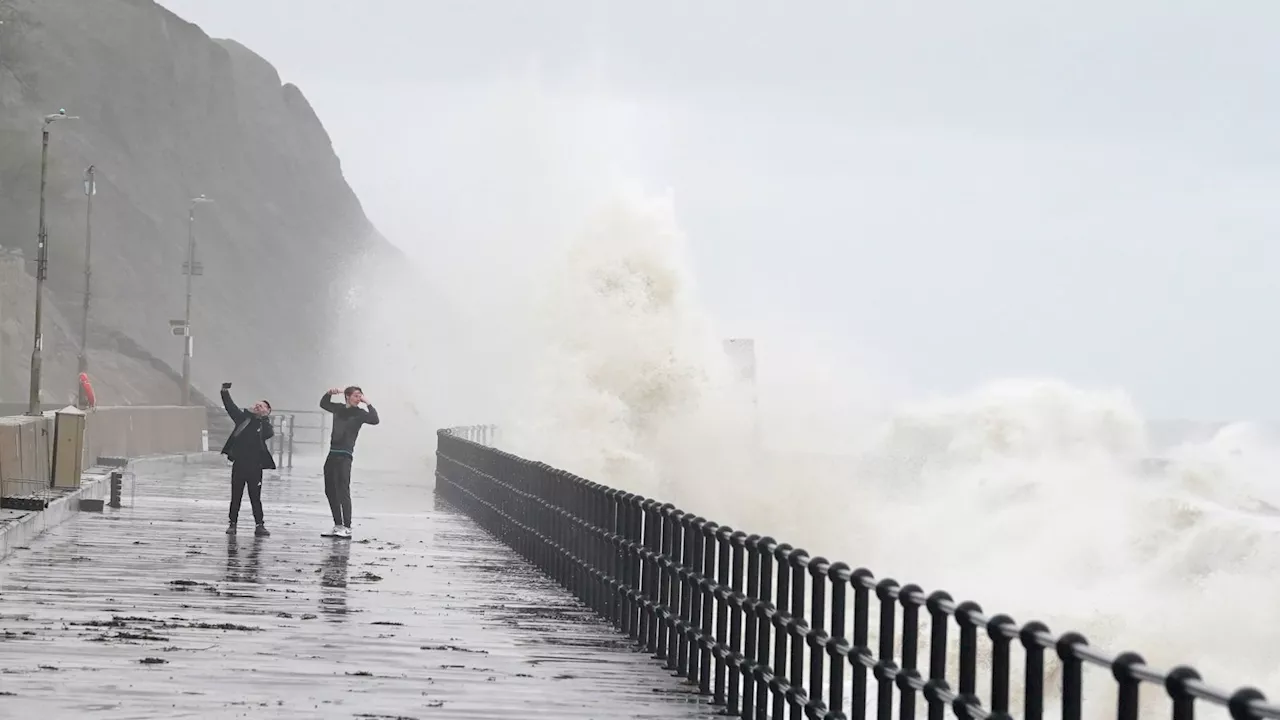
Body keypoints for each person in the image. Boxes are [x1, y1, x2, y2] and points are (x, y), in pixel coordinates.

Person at [319, 386, 380, 538]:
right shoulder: (338, 409)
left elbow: (375, 420)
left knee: (343, 490)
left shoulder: (360, 414)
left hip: (345, 455)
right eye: (355, 396)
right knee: (330, 490)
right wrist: (329, 393)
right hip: (332, 453)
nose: (358, 398)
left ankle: (347, 526)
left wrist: (369, 403)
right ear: (347, 396)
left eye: (360, 396)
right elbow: (324, 404)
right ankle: (337, 524)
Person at [219, 382, 275, 537]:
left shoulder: (264, 425)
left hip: (255, 466)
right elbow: (230, 406)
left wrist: (263, 418)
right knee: (235, 495)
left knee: (255, 497)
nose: (258, 406)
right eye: (257, 404)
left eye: (262, 406)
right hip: (239, 464)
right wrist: (224, 391)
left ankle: (260, 525)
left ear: (267, 411)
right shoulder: (243, 418)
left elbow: (269, 434)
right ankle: (232, 524)